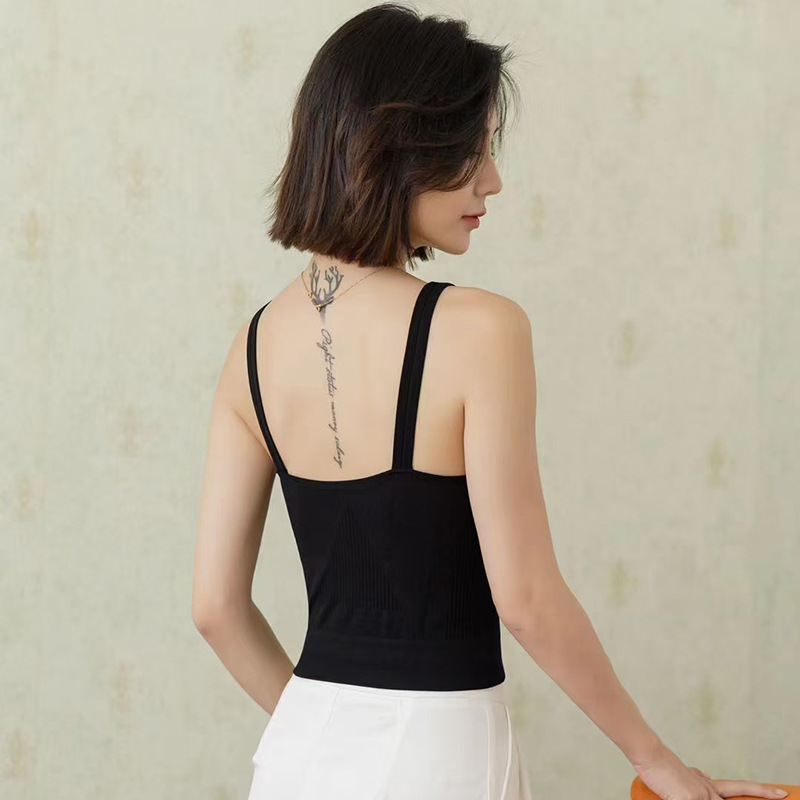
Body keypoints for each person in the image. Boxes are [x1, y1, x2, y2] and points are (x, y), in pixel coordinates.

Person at [191, 4, 789, 800]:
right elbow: (527, 598)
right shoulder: (480, 330)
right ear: (398, 147)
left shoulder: (251, 347)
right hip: (442, 753)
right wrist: (655, 760)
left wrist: (325, 733)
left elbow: (215, 607)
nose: (492, 181)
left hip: (296, 761)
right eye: (473, 150)